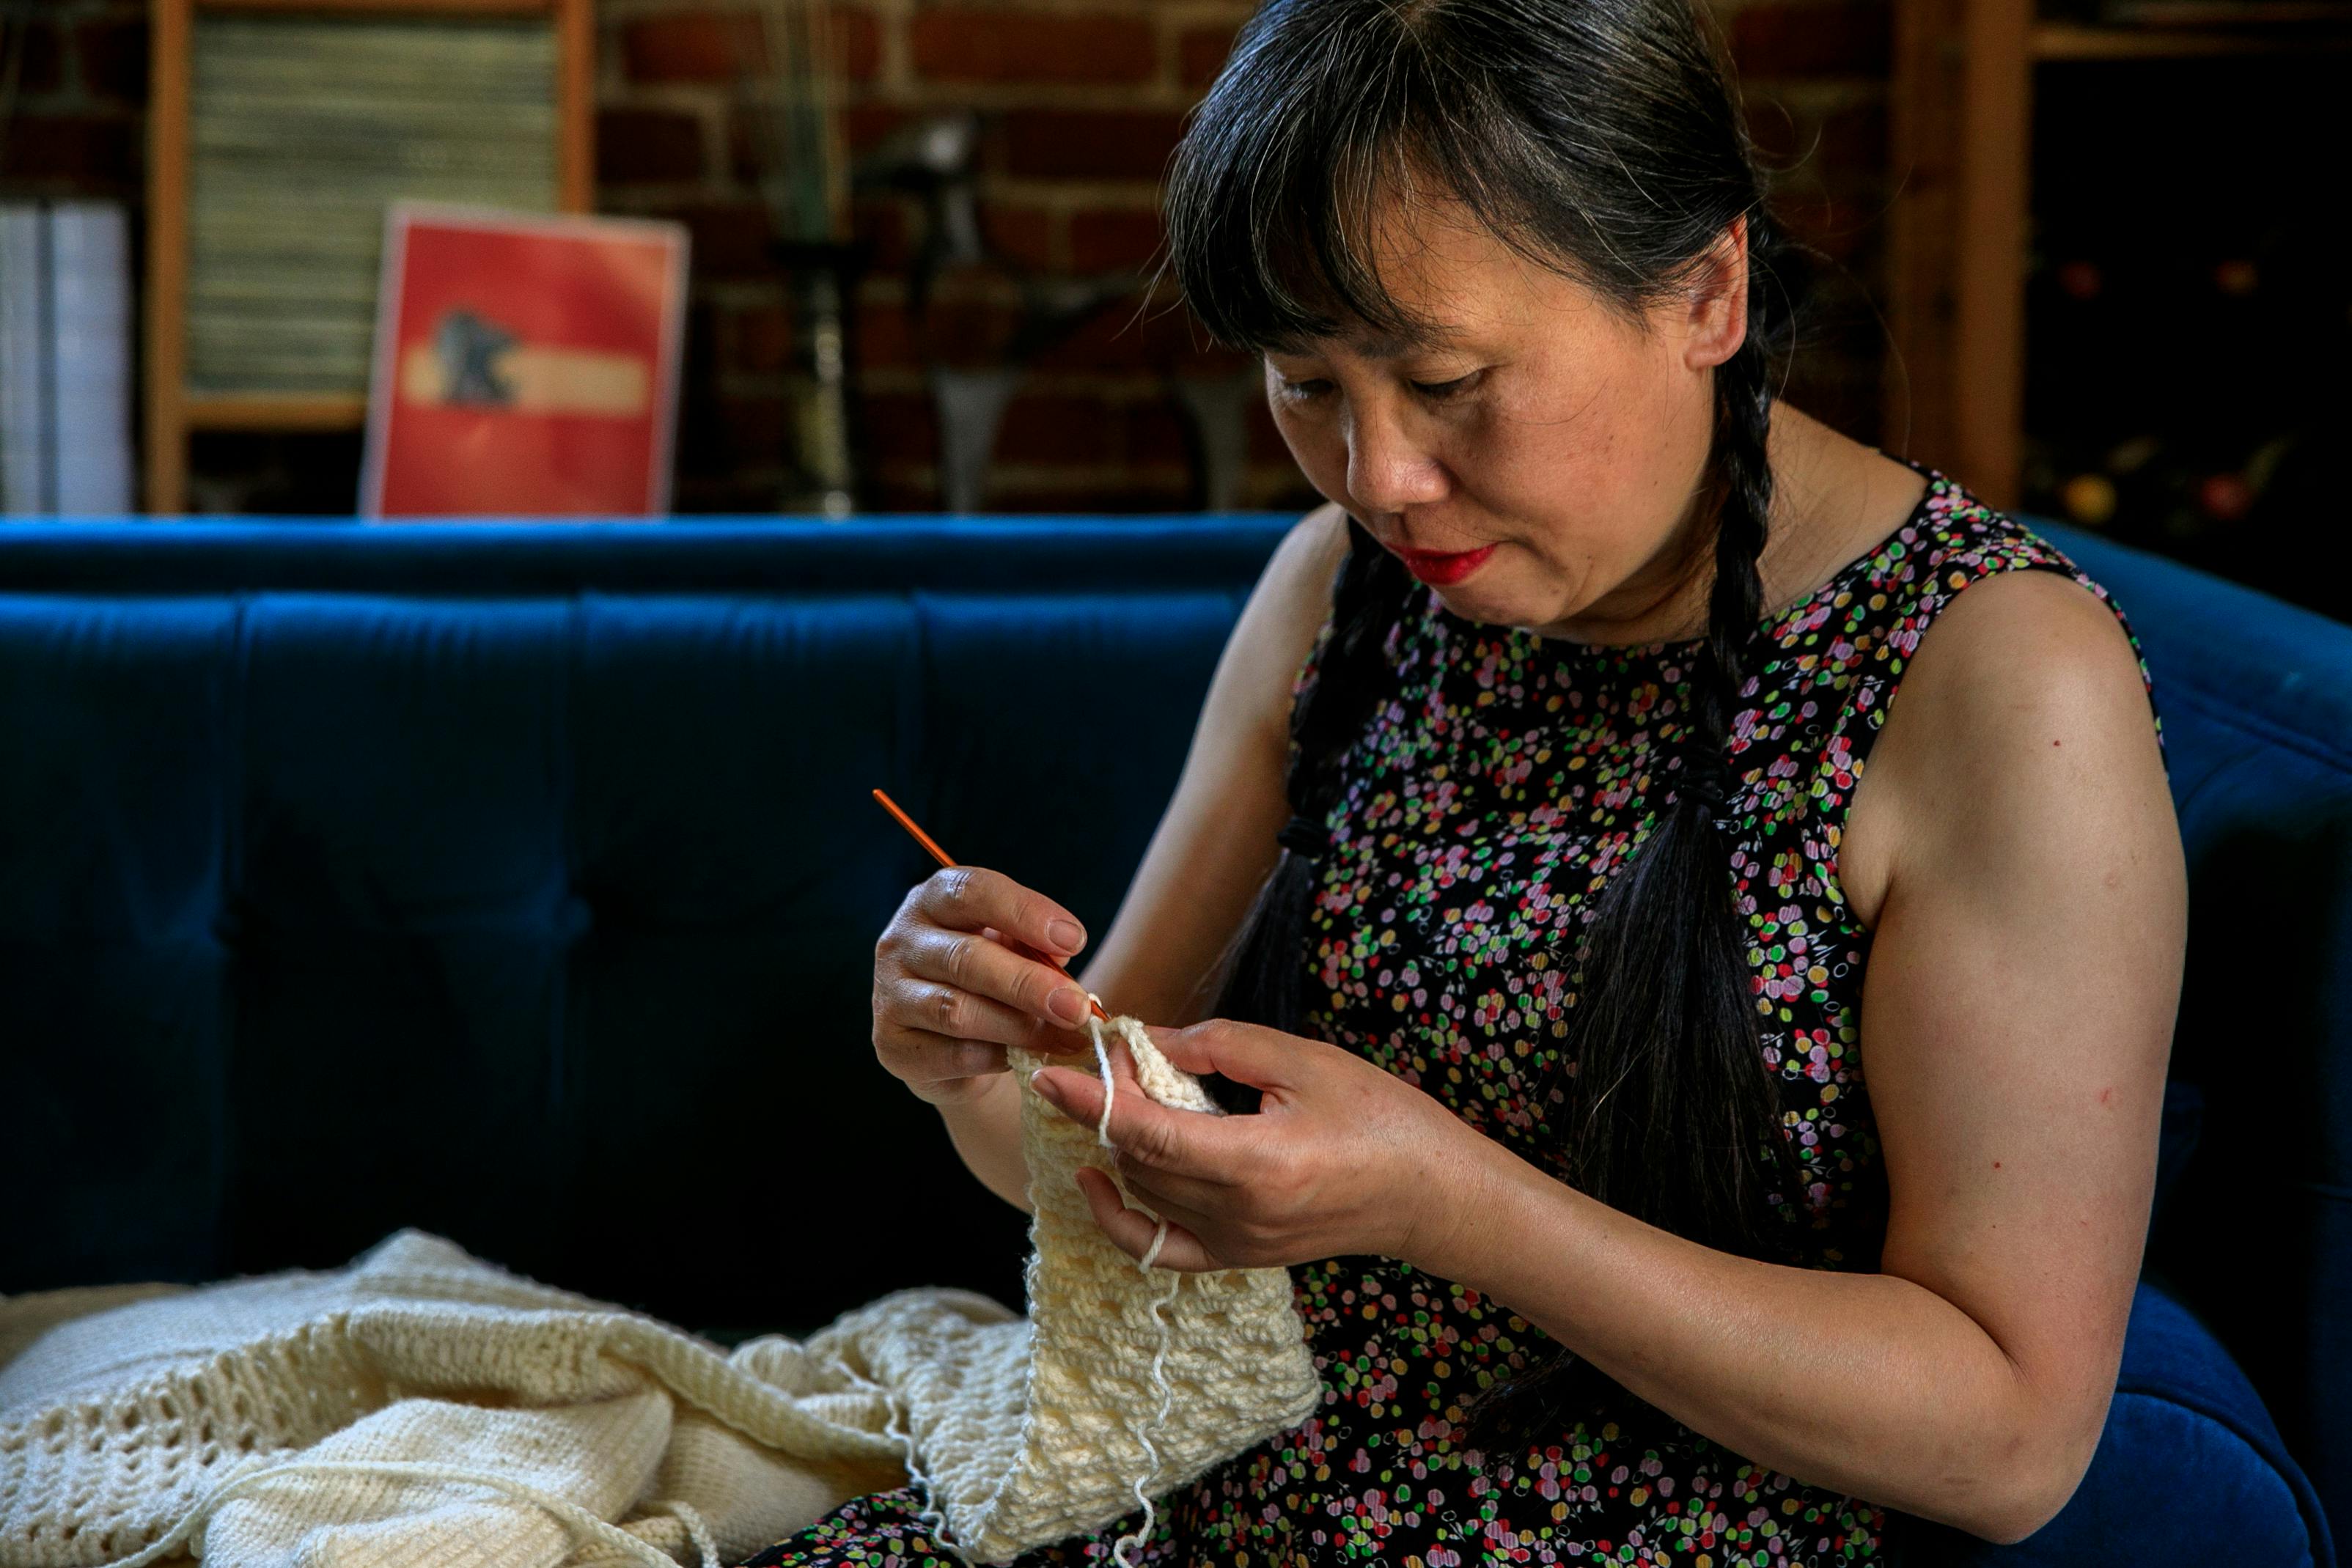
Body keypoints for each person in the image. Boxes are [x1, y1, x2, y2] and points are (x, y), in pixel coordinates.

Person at [744, 0, 2184, 1561]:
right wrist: (982, 1073)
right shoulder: (1339, 589)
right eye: (1306, 385)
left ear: (1705, 288)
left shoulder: (1989, 676)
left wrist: (1453, 1207)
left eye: (1445, 383)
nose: (1379, 481)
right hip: (1183, 1507)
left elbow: (2009, 1438)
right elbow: (1118, 1180)